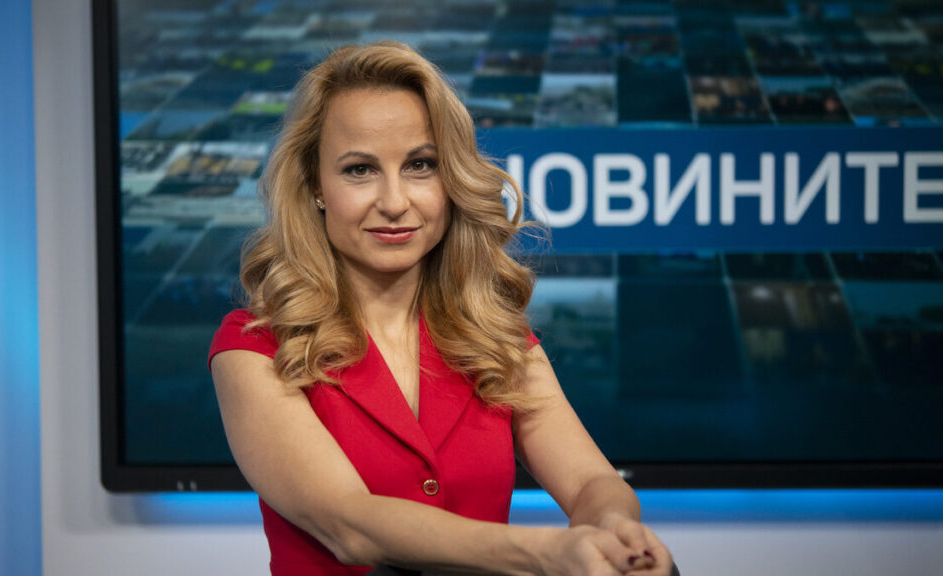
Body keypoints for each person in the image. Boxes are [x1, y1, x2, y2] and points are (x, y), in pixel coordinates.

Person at [209, 41, 674, 576]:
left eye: (420, 165)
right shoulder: (255, 347)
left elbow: (593, 481)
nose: (394, 201)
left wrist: (615, 531)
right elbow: (351, 526)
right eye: (359, 170)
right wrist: (546, 553)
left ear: (451, 177)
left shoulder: (493, 336)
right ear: (315, 185)